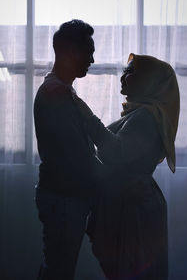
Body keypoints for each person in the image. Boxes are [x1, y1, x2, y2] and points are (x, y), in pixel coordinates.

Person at [73, 53, 180, 280]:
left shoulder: (146, 117)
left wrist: (87, 116)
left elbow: (116, 153)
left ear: (149, 81)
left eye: (131, 71)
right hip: (129, 202)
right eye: (124, 70)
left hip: (132, 207)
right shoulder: (140, 114)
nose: (123, 76)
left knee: (129, 269)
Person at [34, 19, 101, 280]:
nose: (92, 60)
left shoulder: (60, 90)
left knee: (57, 267)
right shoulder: (56, 93)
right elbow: (78, 155)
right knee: (59, 271)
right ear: (71, 52)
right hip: (63, 198)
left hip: (62, 196)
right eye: (89, 52)